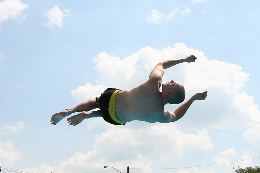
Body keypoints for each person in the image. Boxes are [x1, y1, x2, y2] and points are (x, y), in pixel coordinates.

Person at [50, 54, 207, 126]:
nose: (171, 80)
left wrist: (184, 60)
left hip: (111, 98)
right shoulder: (159, 114)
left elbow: (161, 64)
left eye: (172, 83)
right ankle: (86, 116)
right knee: (107, 112)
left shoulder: (154, 82)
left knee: (96, 101)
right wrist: (193, 99)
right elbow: (176, 117)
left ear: (167, 93)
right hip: (114, 118)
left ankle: (69, 111)